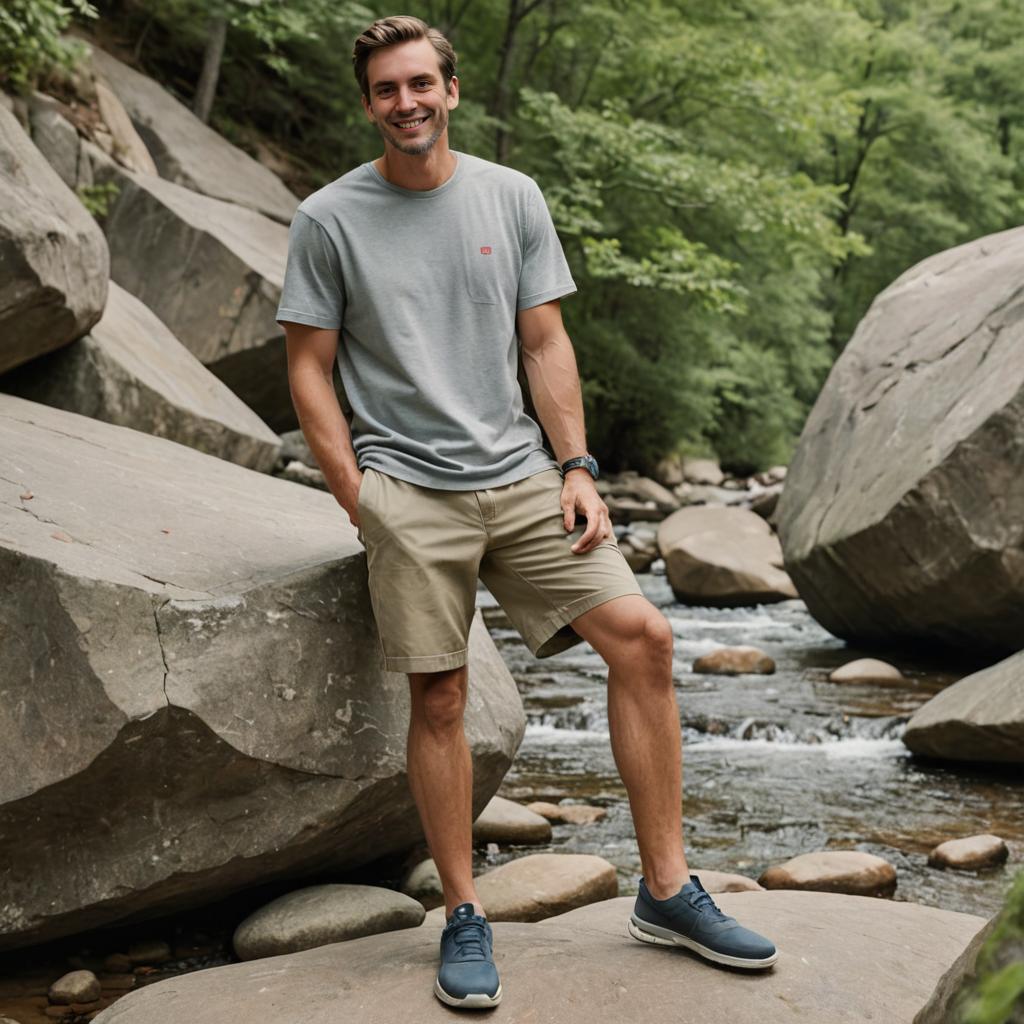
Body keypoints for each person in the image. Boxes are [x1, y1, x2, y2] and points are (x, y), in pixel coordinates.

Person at [276, 14, 777, 1009]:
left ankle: (668, 888)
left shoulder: (510, 196)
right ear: (367, 102)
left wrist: (577, 465)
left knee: (642, 638)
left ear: (452, 91)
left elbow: (544, 343)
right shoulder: (330, 219)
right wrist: (357, 495)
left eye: (421, 83)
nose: (406, 102)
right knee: (442, 697)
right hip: (407, 490)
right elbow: (308, 368)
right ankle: (464, 912)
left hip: (520, 477)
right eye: (386, 89)